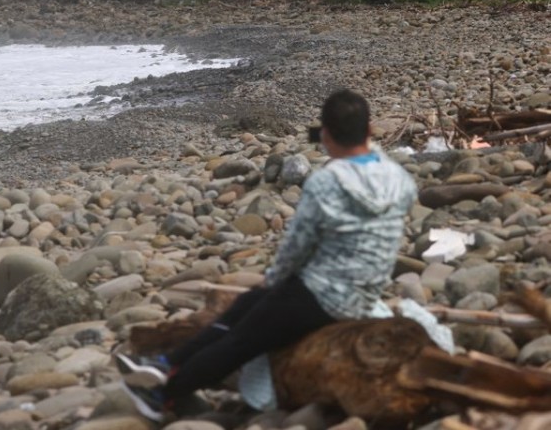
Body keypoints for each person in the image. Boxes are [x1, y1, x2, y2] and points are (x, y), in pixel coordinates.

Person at [116, 88, 418, 422]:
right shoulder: (400, 180)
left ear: (327, 135)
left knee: (243, 339)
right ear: (370, 130)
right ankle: (165, 364)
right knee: (246, 305)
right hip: (364, 292)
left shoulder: (327, 183)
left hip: (325, 296)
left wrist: (274, 280)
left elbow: (298, 247)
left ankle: (162, 393)